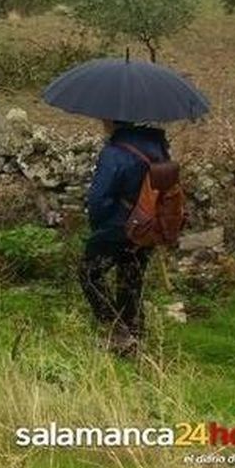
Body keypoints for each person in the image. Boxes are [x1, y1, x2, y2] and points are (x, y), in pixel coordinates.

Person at [79, 120, 169, 352]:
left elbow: (99, 198)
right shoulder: (159, 148)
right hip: (148, 226)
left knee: (89, 273)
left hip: (118, 227)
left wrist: (98, 227)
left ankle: (116, 330)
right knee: (131, 279)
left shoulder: (115, 153)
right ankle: (134, 337)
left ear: (112, 121)